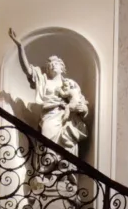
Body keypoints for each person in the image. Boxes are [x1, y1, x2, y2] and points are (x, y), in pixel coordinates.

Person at [8, 28, 89, 156]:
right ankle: (48, 166)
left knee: (67, 148)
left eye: (55, 63)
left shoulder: (69, 83)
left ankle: (65, 167)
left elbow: (80, 101)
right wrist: (20, 47)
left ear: (62, 67)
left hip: (66, 119)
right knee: (47, 146)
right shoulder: (44, 80)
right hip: (49, 116)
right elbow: (28, 70)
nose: (52, 65)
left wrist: (83, 109)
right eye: (49, 64)